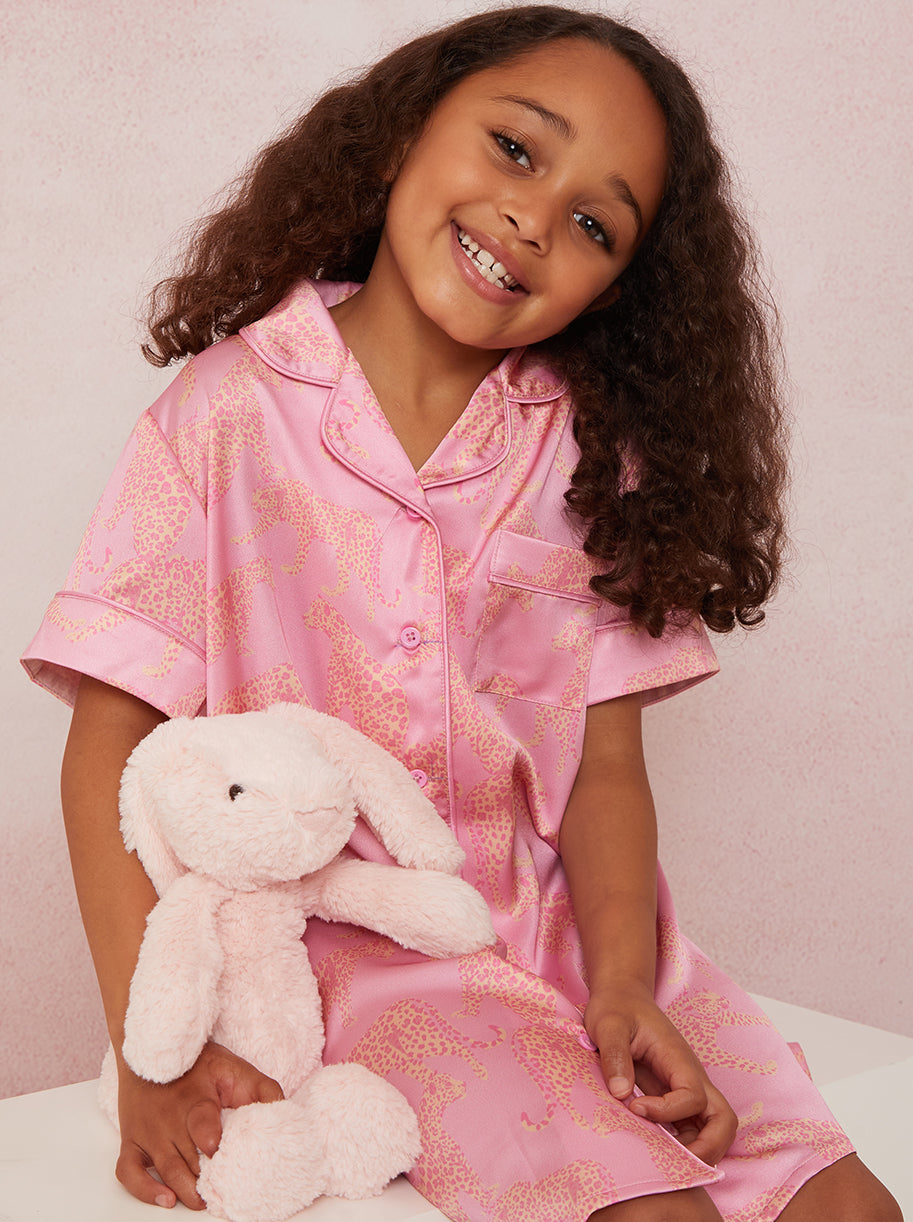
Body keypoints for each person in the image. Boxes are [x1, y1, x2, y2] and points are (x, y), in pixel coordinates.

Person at [22, 6, 901, 1221]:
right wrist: (148, 1054)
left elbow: (601, 767)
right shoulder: (222, 414)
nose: (534, 218)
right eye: (515, 148)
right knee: (657, 1211)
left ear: (621, 287)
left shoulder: (590, 457)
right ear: (402, 131)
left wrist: (624, 982)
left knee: (847, 1204)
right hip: (364, 962)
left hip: (580, 939)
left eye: (594, 225)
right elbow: (108, 743)